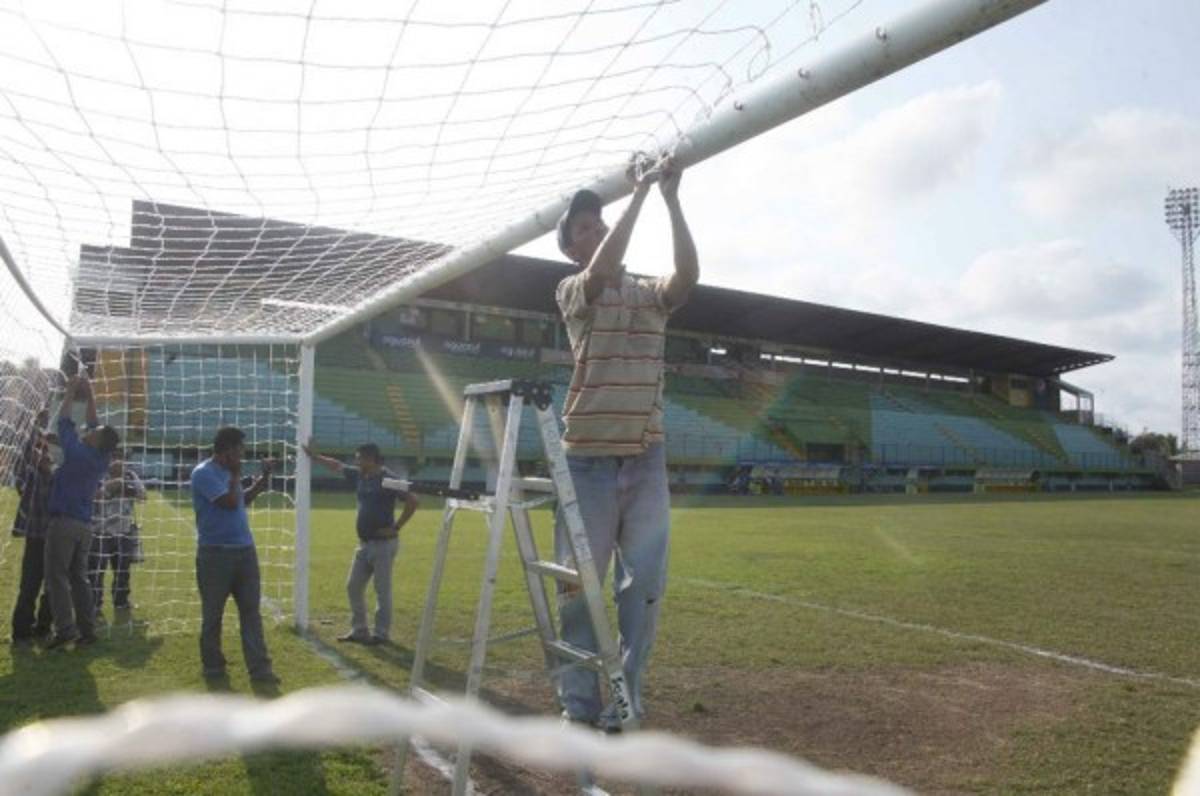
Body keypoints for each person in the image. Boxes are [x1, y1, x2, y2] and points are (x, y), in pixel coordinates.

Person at [552, 156, 698, 729]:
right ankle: (579, 703)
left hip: (646, 456)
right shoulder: (572, 288)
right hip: (587, 458)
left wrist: (670, 199)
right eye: (584, 229)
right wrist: (636, 196)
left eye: (598, 222)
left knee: (644, 589)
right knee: (578, 587)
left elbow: (687, 279)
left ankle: (625, 697)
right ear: (570, 249)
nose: (597, 232)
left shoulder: (646, 292)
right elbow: (600, 272)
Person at [302, 441, 418, 645]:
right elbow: (336, 465)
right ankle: (360, 630)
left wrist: (396, 527)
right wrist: (315, 456)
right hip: (364, 544)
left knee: (382, 590)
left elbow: (413, 500)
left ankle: (381, 634)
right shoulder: (360, 475)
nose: (356, 461)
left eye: (359, 458)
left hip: (383, 544)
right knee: (353, 586)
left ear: (370, 459)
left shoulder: (388, 478)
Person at [190, 426, 279, 683]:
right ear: (227, 449)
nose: (243, 453)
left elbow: (242, 500)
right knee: (213, 615)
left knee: (251, 613)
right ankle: (213, 667)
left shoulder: (229, 473)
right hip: (215, 555)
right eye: (240, 449)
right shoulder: (204, 473)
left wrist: (263, 478)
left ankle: (260, 670)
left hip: (245, 552)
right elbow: (228, 504)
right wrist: (236, 475)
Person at [44, 374, 120, 649]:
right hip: (84, 526)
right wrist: (89, 394)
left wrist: (69, 392)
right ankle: (87, 630)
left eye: (93, 433)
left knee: (57, 577)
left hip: (64, 524)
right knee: (79, 578)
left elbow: (64, 421)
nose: (90, 430)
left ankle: (65, 630)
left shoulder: (77, 452)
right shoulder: (101, 457)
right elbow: (95, 422)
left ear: (96, 442)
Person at [10, 409, 54, 642]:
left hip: (55, 538)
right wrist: (34, 423)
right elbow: (26, 448)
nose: (42, 454)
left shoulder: (53, 475)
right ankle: (21, 632)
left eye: (44, 452)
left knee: (52, 586)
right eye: (38, 452)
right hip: (36, 538)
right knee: (29, 585)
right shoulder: (28, 475)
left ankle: (44, 628)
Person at [88, 456, 146, 617]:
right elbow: (93, 496)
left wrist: (124, 487)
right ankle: (94, 604)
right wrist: (111, 487)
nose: (119, 462)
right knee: (96, 570)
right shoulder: (97, 474)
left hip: (124, 531)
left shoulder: (131, 476)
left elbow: (142, 496)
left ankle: (121, 601)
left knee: (122, 569)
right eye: (114, 458)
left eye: (122, 459)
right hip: (100, 532)